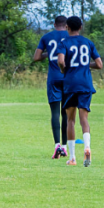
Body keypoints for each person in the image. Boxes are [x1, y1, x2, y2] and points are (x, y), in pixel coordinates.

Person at [56, 16, 103, 167]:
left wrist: (64, 69)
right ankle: (87, 147)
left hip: (70, 84)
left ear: (67, 27)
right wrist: (86, 65)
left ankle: (72, 158)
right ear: (81, 27)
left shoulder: (64, 43)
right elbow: (99, 64)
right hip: (85, 84)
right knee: (84, 119)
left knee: (70, 120)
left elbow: (61, 61)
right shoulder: (88, 42)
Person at [33, 15, 70, 159]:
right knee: (66, 113)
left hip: (53, 78)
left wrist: (49, 54)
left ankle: (57, 145)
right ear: (66, 25)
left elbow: (36, 57)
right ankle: (65, 147)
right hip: (67, 78)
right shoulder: (70, 36)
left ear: (54, 24)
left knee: (54, 113)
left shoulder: (47, 37)